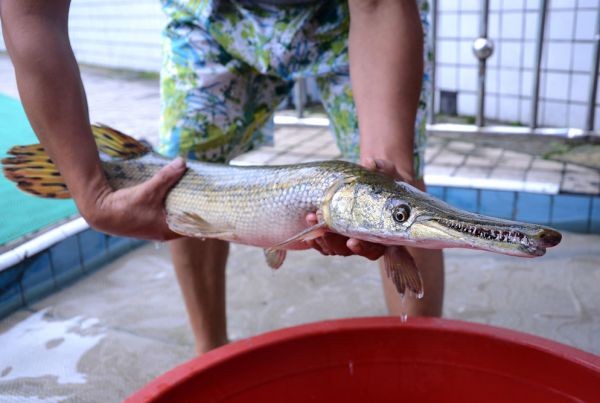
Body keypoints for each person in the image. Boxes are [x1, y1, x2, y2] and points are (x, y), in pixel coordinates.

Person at [1, 0, 444, 355]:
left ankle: (421, 357)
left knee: (399, 187)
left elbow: (381, 4)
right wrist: (89, 188)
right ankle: (210, 352)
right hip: (212, 15)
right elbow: (31, 12)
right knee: (181, 181)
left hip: (346, 13)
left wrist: (392, 173)